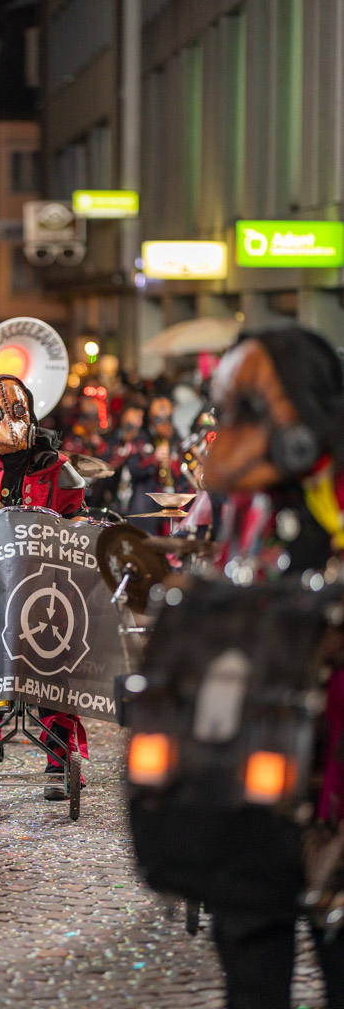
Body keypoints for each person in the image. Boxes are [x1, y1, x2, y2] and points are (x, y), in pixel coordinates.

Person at [202, 325, 344, 1009]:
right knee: (251, 971)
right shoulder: (245, 509)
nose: (229, 432)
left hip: (331, 788)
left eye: (249, 409)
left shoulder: (334, 490)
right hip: (251, 781)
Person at [0, 374, 89, 800]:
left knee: (56, 665)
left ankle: (59, 757)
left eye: (17, 410)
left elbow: (77, 518)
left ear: (31, 411)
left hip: (46, 588)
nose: (9, 421)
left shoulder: (57, 466)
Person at [125, 393, 186, 534]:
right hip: (146, 509)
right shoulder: (141, 440)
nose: (164, 423)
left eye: (168, 418)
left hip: (171, 507)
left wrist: (172, 462)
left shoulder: (177, 441)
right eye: (159, 419)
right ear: (151, 419)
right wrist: (154, 458)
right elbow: (134, 469)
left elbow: (183, 473)